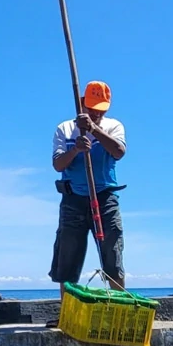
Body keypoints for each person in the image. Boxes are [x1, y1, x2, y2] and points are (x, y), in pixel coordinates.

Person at [49, 80, 126, 294]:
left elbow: (119, 152)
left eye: (101, 110)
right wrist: (75, 150)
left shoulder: (114, 126)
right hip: (73, 199)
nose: (96, 113)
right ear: (82, 103)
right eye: (92, 109)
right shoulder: (65, 128)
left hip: (105, 198)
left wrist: (94, 129)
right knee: (67, 258)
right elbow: (58, 165)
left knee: (112, 254)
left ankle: (119, 305)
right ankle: (66, 309)